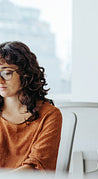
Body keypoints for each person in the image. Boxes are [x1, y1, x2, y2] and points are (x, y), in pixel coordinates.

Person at [0, 41, 62, 171]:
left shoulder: (49, 115)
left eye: (7, 73)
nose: (0, 80)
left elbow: (35, 168)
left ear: (25, 74)